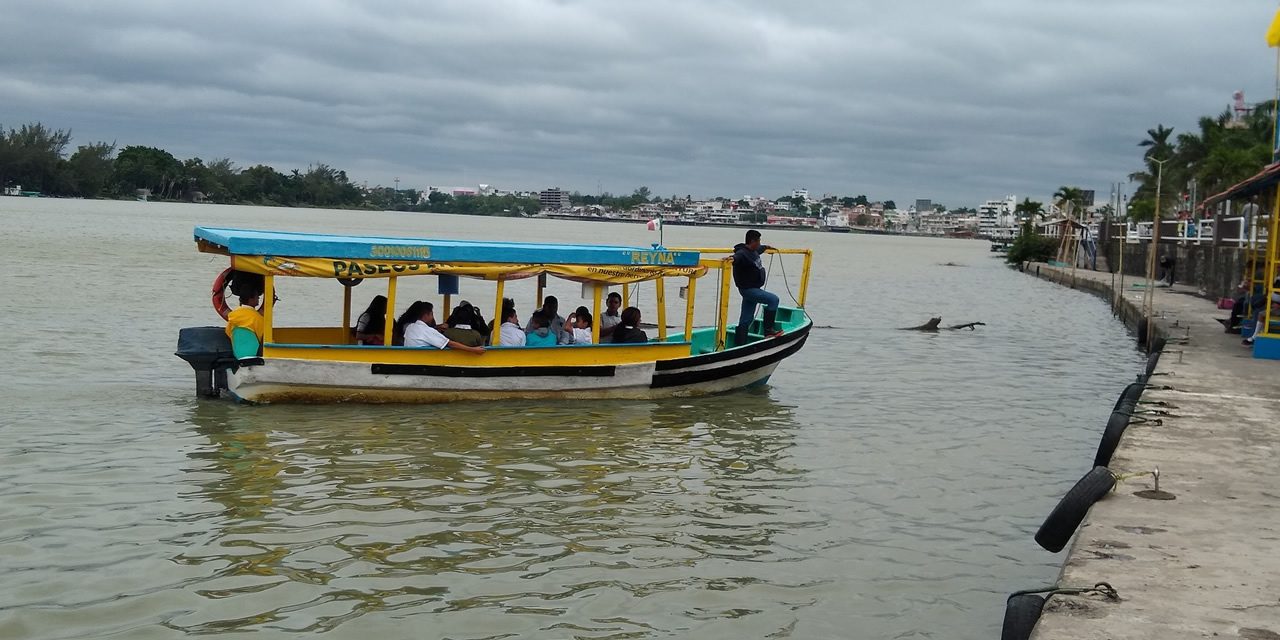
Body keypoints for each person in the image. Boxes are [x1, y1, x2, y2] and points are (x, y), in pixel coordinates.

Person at [732, 229, 782, 346]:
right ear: (752, 241)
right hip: (749, 290)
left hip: (752, 289)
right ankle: (768, 331)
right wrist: (731, 259)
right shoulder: (742, 253)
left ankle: (739, 345)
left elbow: (759, 249)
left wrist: (766, 247)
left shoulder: (754, 251)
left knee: (746, 319)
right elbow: (736, 257)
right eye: (758, 241)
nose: (759, 243)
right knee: (773, 300)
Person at [402, 301, 485, 353]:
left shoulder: (410, 327)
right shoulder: (427, 331)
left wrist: (437, 327)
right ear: (425, 316)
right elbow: (450, 344)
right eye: (431, 314)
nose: (432, 317)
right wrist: (473, 350)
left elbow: (425, 334)